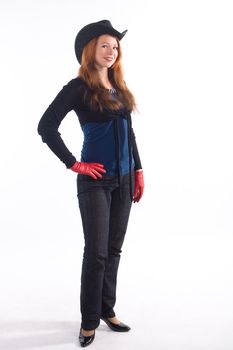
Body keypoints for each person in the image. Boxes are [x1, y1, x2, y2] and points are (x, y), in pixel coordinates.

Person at [37, 19, 144, 348]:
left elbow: (129, 134)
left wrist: (138, 170)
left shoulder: (120, 87)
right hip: (95, 182)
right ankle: (88, 322)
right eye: (105, 45)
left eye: (115, 46)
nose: (112, 51)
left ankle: (106, 309)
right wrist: (74, 163)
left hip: (124, 181)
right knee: (97, 253)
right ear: (90, 49)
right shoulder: (78, 87)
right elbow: (46, 126)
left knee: (113, 250)